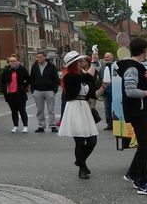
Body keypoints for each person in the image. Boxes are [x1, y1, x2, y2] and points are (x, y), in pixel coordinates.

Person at [118, 36, 147, 196]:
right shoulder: (132, 68)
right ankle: (142, 182)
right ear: (144, 50)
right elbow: (130, 91)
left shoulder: (136, 67)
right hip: (138, 111)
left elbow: (138, 85)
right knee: (144, 146)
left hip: (140, 110)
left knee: (144, 145)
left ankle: (132, 174)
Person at [58, 50, 99, 179]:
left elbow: (91, 88)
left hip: (84, 108)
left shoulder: (82, 74)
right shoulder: (69, 76)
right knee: (80, 141)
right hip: (74, 108)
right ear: (73, 64)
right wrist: (93, 62)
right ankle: (82, 168)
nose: (82, 63)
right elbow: (88, 78)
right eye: (79, 61)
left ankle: (80, 161)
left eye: (82, 61)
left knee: (92, 141)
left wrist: (102, 88)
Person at [29, 51, 59, 133]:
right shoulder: (35, 66)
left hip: (49, 90)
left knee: (51, 110)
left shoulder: (51, 66)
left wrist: (54, 90)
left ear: (45, 57)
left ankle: (52, 125)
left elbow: (56, 78)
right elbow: (32, 78)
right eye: (37, 57)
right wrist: (33, 90)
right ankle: (41, 126)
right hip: (38, 91)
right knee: (40, 110)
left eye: (40, 57)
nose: (38, 58)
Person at [1, 54, 31, 133]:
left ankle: (25, 126)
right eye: (11, 61)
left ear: (17, 61)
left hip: (20, 93)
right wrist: (4, 91)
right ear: (9, 62)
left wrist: (24, 87)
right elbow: (3, 81)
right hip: (10, 93)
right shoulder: (6, 70)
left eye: (14, 61)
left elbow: (28, 79)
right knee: (14, 111)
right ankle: (15, 126)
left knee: (22, 110)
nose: (12, 62)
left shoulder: (22, 69)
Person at [97, 52, 117, 129]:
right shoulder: (102, 66)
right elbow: (100, 76)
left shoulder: (116, 66)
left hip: (114, 89)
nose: (106, 59)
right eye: (105, 57)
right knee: (107, 107)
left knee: (115, 107)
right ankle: (109, 124)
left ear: (112, 57)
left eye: (107, 57)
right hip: (106, 89)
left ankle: (116, 123)